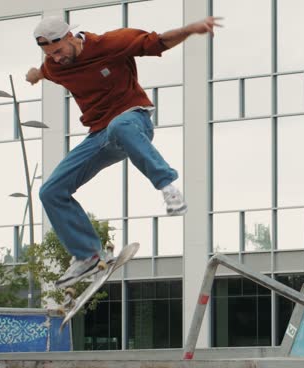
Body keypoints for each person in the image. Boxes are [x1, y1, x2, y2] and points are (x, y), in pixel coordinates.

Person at [26, 16, 221, 288]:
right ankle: (88, 254)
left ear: (70, 36)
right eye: (49, 55)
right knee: (50, 191)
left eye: (58, 51)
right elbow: (43, 71)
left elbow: (160, 41)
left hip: (133, 120)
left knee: (120, 125)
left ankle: (167, 186)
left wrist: (190, 30)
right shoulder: (54, 66)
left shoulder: (111, 44)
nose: (56, 59)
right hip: (99, 137)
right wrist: (35, 75)